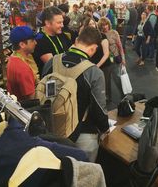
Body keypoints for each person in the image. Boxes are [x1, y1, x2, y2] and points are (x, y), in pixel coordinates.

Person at [42, 27, 110, 162]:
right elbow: (99, 110)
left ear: (76, 40)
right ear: (94, 48)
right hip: (80, 134)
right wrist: (105, 128)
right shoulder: (94, 72)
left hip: (49, 129)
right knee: (82, 173)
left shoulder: (52, 61)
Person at [33, 6, 71, 75]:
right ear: (47, 23)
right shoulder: (39, 40)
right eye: (59, 23)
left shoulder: (62, 35)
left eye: (62, 22)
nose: (62, 25)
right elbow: (53, 66)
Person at [7, 26, 40, 101]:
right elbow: (32, 99)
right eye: (32, 40)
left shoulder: (13, 58)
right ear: (22, 44)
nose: (36, 42)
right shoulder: (22, 68)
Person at [98, 17, 126, 102]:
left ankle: (124, 95)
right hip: (105, 60)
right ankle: (108, 97)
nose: (105, 26)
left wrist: (123, 58)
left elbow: (120, 46)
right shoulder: (99, 34)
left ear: (109, 24)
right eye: (103, 25)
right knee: (106, 80)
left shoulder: (114, 32)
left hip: (115, 59)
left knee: (117, 78)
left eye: (106, 24)